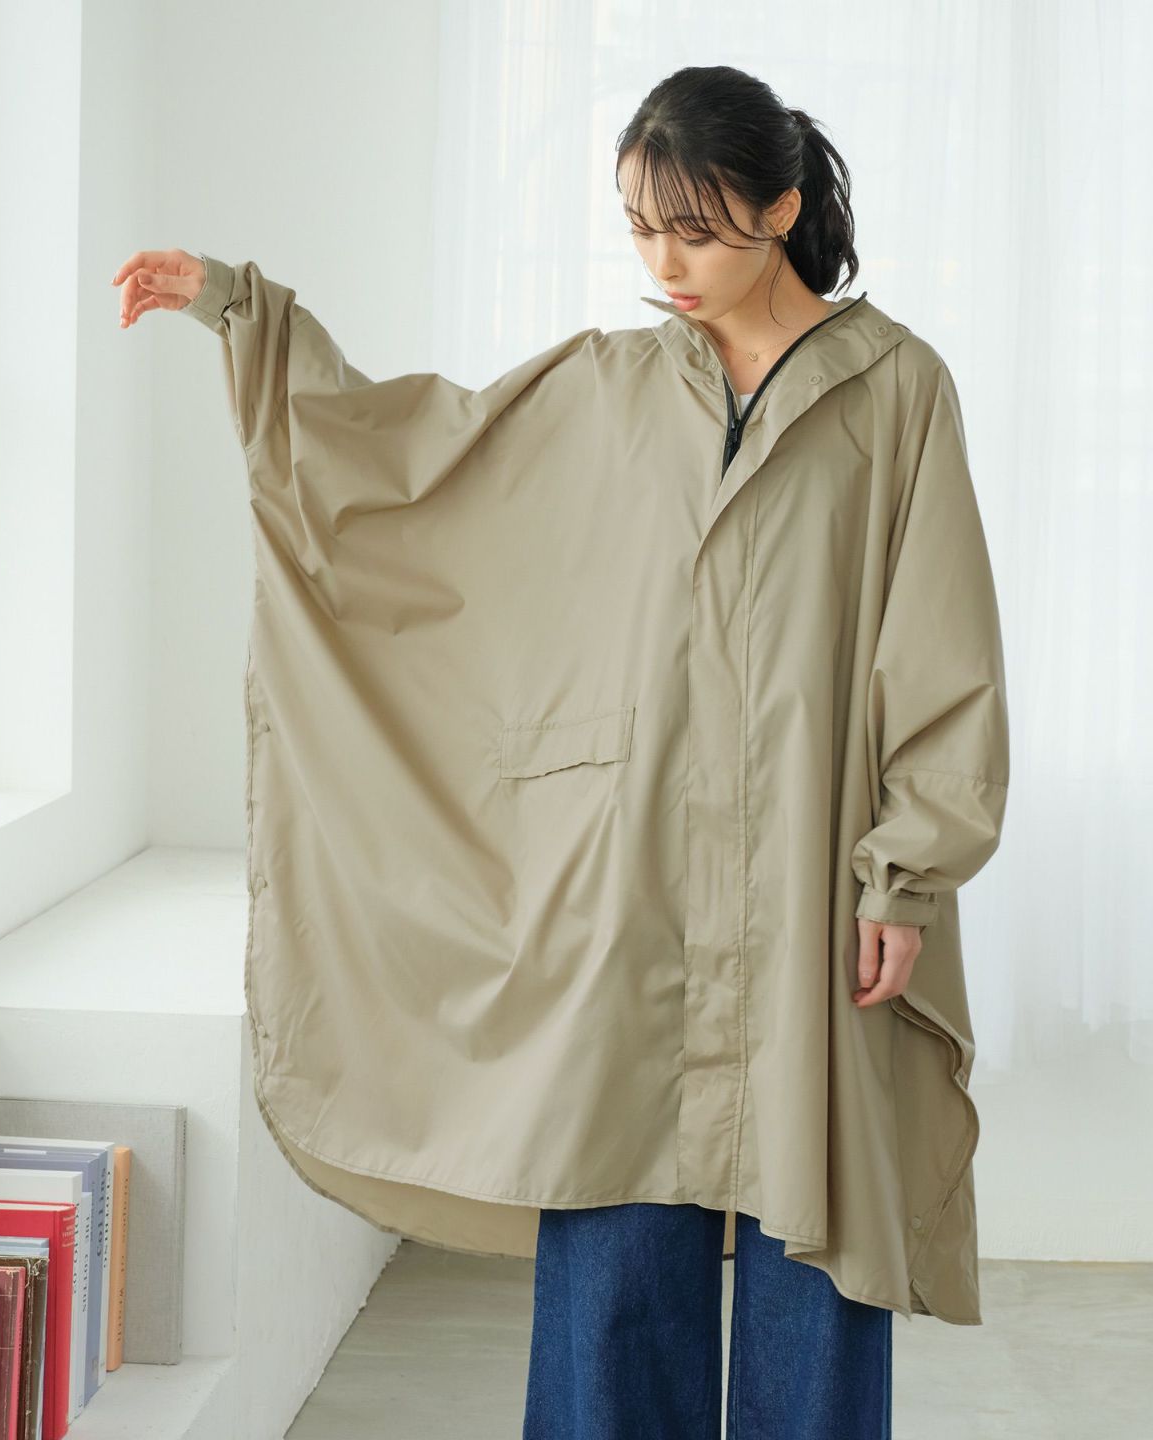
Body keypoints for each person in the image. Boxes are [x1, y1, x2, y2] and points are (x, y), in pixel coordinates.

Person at [111, 62, 1007, 1440]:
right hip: (625, 881)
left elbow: (938, 641)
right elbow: (410, 464)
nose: (665, 266)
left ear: (780, 210)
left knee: (816, 1254)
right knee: (611, 1245)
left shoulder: (897, 392)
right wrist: (245, 311)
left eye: (693, 230)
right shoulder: (610, 382)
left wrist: (907, 874)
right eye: (642, 229)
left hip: (817, 879)